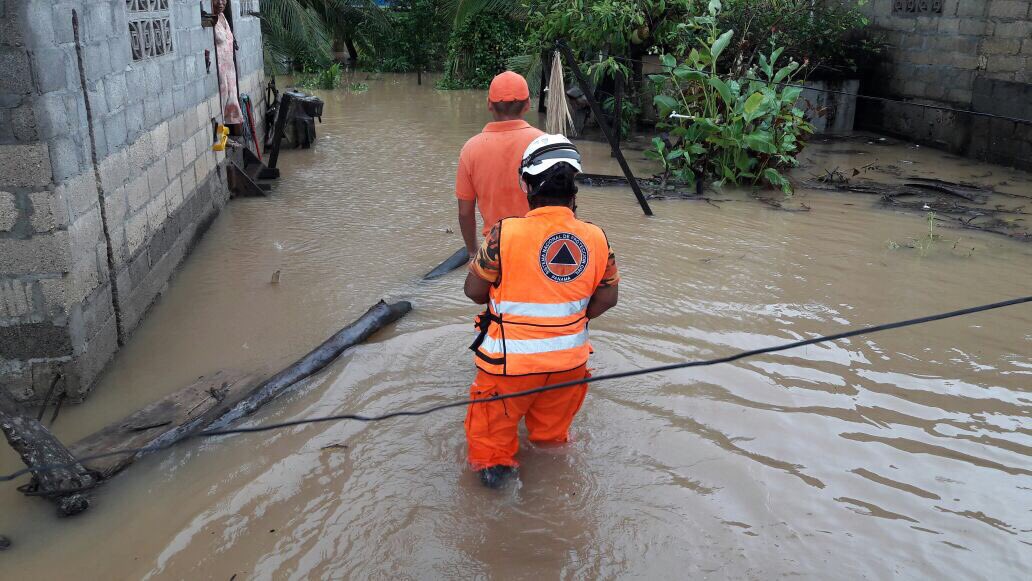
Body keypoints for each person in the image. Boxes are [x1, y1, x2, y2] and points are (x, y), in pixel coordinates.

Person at [462, 134, 620, 488]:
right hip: (569, 366)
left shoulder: (504, 234)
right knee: (551, 445)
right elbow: (608, 298)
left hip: (507, 367)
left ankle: (506, 523)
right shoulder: (597, 237)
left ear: (526, 184)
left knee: (491, 453)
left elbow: (474, 292)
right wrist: (568, 318)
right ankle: (554, 502)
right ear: (573, 189)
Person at [456, 72, 544, 259]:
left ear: (489, 104)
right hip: (538, 247)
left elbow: (465, 212)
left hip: (496, 250)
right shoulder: (544, 144)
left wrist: (473, 252)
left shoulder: (471, 149)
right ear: (528, 104)